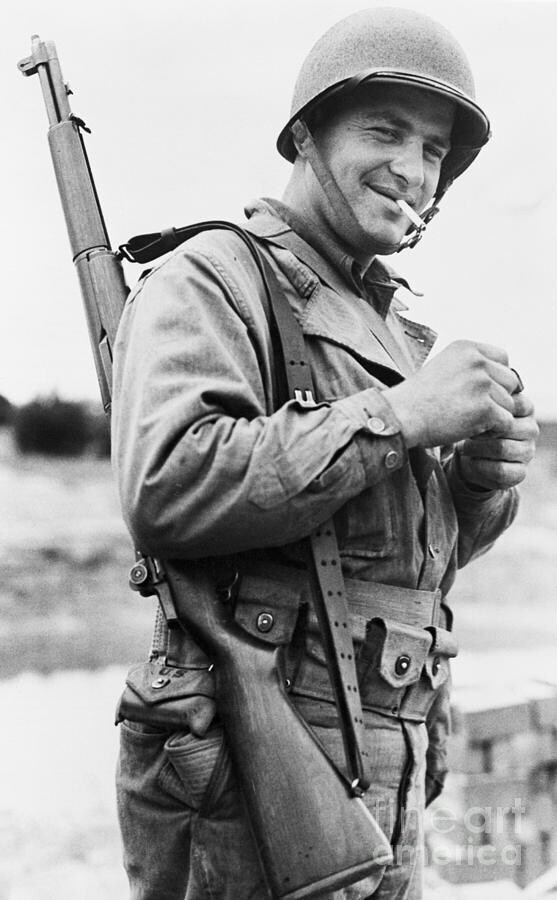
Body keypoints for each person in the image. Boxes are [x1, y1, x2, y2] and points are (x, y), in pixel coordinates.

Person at [111, 7, 538, 899]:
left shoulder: (391, 326)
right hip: (250, 769)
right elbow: (171, 485)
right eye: (384, 131)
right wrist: (403, 415)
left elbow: (389, 566)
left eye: (432, 150)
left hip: (385, 761)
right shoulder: (214, 277)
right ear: (305, 134)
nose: (411, 168)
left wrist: (473, 488)